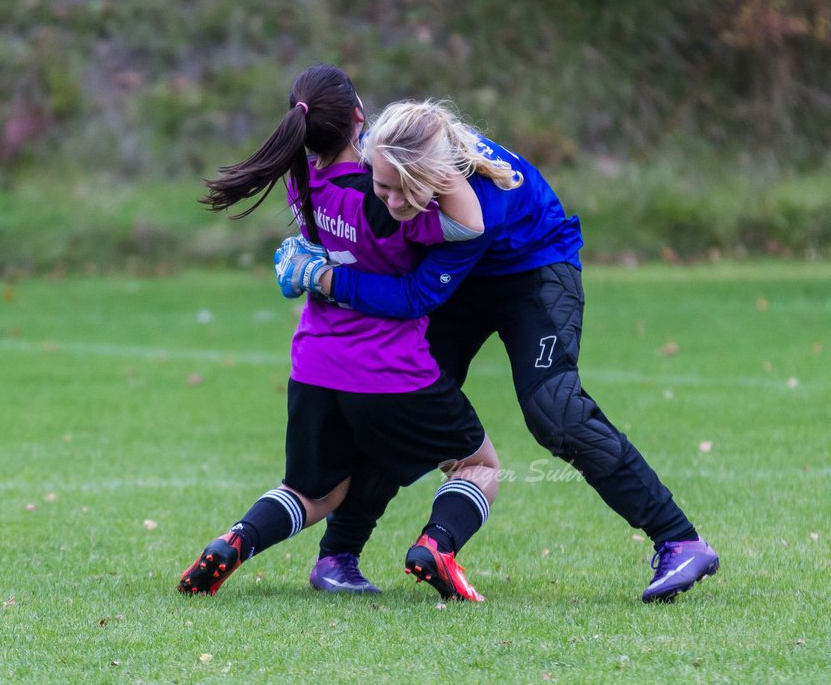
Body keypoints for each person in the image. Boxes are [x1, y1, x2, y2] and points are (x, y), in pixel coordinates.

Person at [276, 98, 718, 603]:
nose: (393, 203)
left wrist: (327, 277)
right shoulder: (393, 148)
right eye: (384, 188)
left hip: (533, 271)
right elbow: (363, 220)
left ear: (436, 178)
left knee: (554, 410)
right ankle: (339, 558)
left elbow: (414, 296)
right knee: (397, 394)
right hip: (460, 281)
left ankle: (679, 540)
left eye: (406, 193)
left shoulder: (474, 202)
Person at [178, 64, 500, 601]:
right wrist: (432, 158)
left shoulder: (299, 182)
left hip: (315, 368)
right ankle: (437, 545)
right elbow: (467, 224)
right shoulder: (388, 201)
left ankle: (235, 540)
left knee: (312, 492)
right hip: (390, 371)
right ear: (360, 117)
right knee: (477, 465)